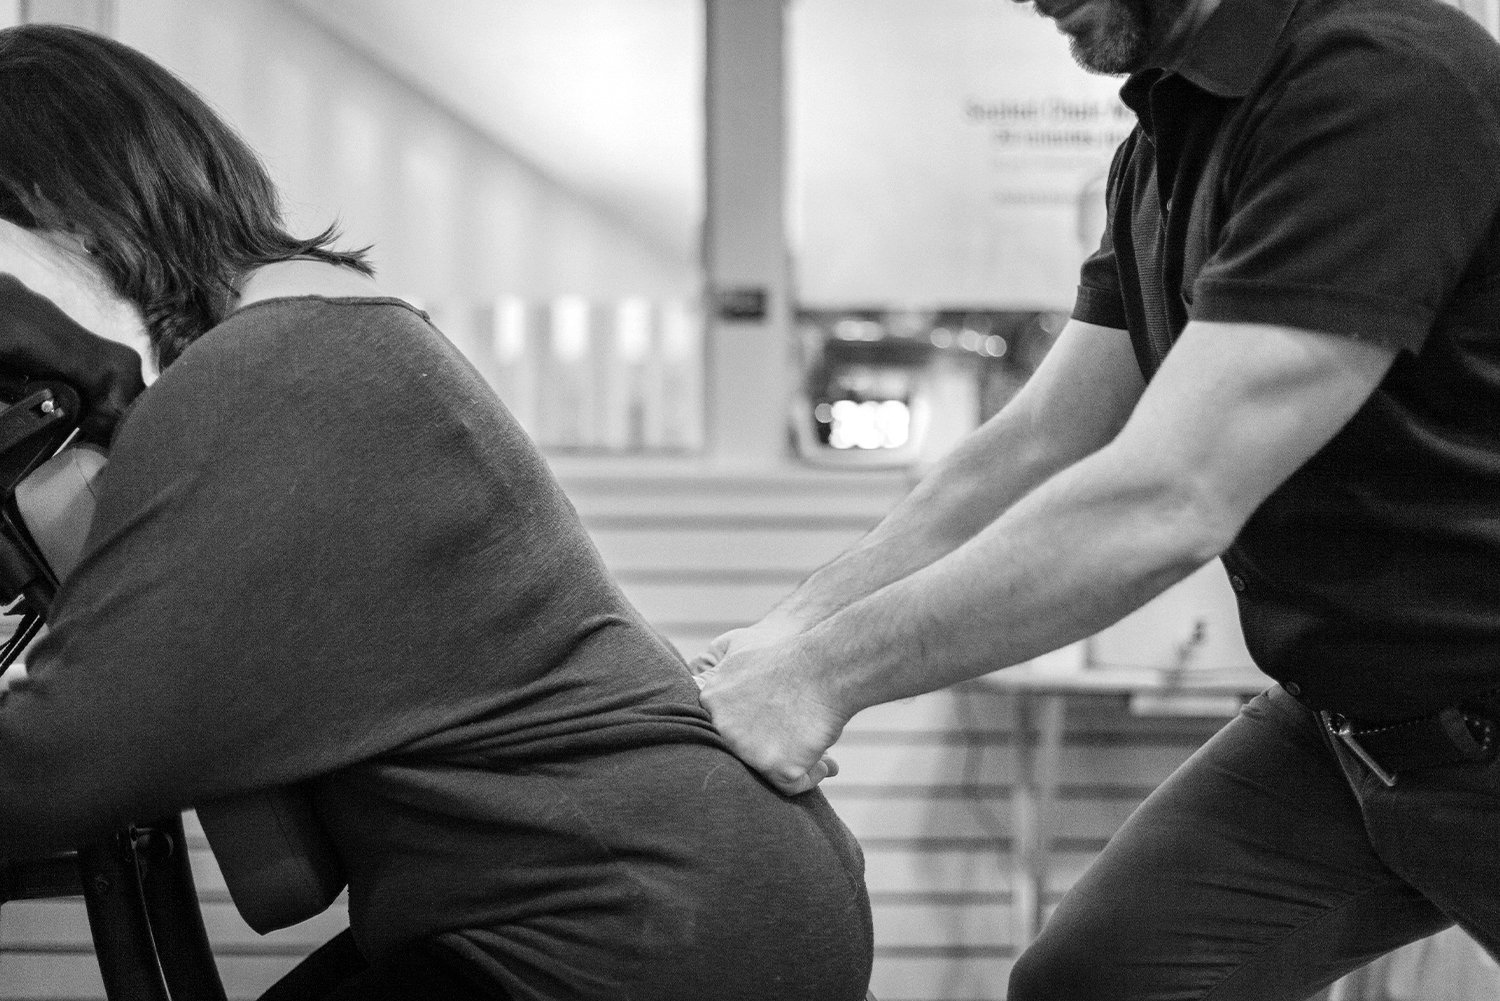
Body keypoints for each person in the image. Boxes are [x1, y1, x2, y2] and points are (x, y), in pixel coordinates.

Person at [0, 24, 873, 1001]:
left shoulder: (264, 372)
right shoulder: (328, 333)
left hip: (631, 920)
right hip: (683, 888)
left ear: (68, 216)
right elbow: (274, 855)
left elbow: (66, 759)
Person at [694, 0, 1500, 997]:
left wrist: (823, 677)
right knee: (1098, 981)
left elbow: (1172, 492)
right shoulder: (1165, 136)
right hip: (1355, 731)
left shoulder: (1382, 79)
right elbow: (1038, 441)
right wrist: (790, 629)